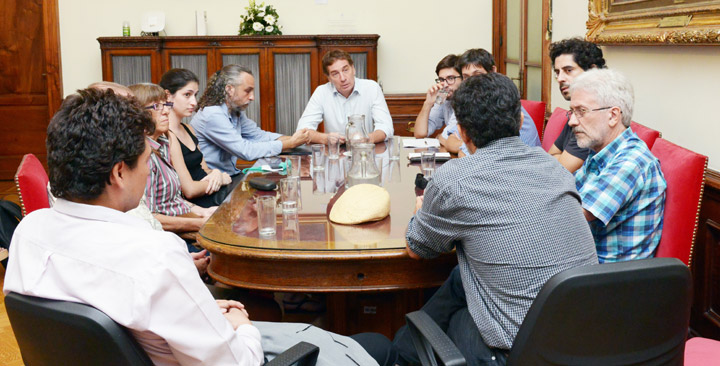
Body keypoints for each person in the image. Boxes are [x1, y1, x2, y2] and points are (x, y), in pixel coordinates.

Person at [3, 87, 396, 366]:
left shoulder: (29, 232)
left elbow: (105, 308)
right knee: (376, 346)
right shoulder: (154, 256)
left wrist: (198, 304)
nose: (151, 168)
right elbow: (238, 361)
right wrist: (240, 324)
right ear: (119, 173)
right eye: (146, 159)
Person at [392, 73, 598, 366]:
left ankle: (402, 354)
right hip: (586, 340)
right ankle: (404, 351)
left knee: (458, 311)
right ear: (520, 121)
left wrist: (419, 212)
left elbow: (417, 248)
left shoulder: (454, 180)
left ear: (462, 133)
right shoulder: (556, 170)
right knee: (461, 278)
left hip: (517, 351)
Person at [569, 68, 666, 263]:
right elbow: (566, 193)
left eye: (581, 112)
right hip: (585, 265)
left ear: (613, 115)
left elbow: (570, 217)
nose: (572, 121)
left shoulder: (632, 161)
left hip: (612, 283)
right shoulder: (601, 153)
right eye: (571, 112)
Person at [191, 65, 311, 175]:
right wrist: (290, 143)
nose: (252, 97)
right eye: (247, 91)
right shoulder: (213, 114)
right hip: (211, 185)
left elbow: (259, 136)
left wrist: (295, 139)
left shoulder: (234, 111)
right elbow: (246, 151)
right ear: (229, 89)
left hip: (229, 177)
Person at [129, 83, 215, 234]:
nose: (166, 112)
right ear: (138, 115)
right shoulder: (141, 155)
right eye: (157, 107)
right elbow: (149, 217)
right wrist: (199, 223)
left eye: (166, 105)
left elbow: (173, 201)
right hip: (169, 233)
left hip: (186, 220)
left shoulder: (164, 143)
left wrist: (202, 211)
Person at [159, 68, 239, 207]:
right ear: (168, 96)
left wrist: (216, 173)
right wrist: (219, 179)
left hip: (210, 190)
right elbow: (189, 190)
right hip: (198, 201)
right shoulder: (167, 135)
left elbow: (205, 169)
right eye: (187, 95)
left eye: (195, 95)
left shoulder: (189, 129)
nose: (194, 102)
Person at [441, 48, 541, 156]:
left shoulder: (502, 103)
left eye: (477, 75)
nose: (472, 83)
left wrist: (463, 148)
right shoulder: (475, 103)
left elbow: (495, 155)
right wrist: (464, 147)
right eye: (466, 77)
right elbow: (449, 140)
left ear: (493, 71)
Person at [295, 49, 394, 144]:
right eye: (335, 74)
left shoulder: (371, 88)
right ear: (329, 78)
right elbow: (302, 130)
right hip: (335, 154)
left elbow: (386, 127)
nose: (342, 78)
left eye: (345, 70)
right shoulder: (321, 92)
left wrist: (367, 138)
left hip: (364, 152)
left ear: (353, 69)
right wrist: (326, 138)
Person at [548, 37, 605, 172]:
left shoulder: (594, 115)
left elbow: (557, 171)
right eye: (557, 72)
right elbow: (550, 155)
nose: (560, 78)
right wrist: (559, 158)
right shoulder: (576, 114)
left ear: (592, 72)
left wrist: (559, 158)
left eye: (568, 70)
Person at [412, 54, 462, 139]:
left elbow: (447, 137)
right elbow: (419, 133)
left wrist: (440, 137)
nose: (445, 85)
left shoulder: (467, 100)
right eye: (442, 80)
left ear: (463, 78)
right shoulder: (443, 96)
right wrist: (428, 103)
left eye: (450, 78)